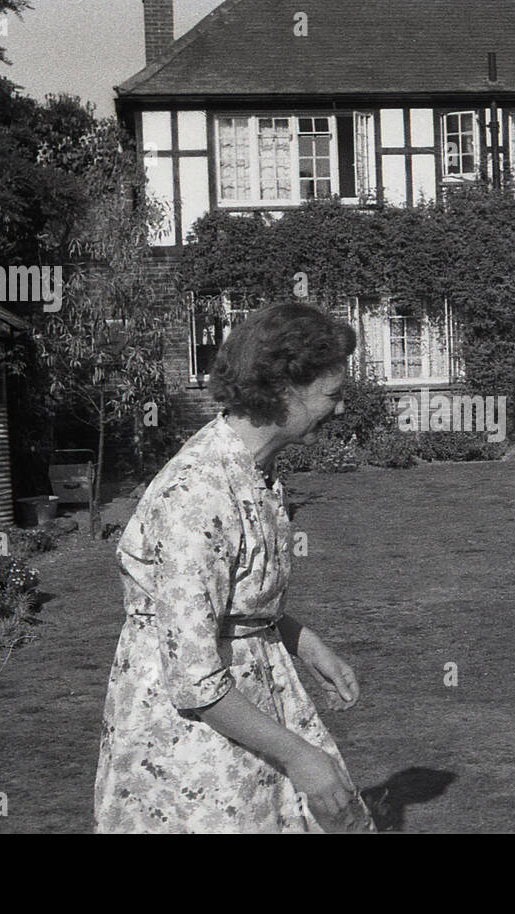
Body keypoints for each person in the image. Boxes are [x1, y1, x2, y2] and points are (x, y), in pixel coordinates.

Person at [94, 301, 373, 833]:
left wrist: (306, 644)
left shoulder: (255, 471)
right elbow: (194, 678)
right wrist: (301, 758)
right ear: (285, 387)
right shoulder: (197, 494)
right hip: (196, 738)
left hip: (253, 703)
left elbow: (235, 604)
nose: (339, 410)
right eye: (332, 396)